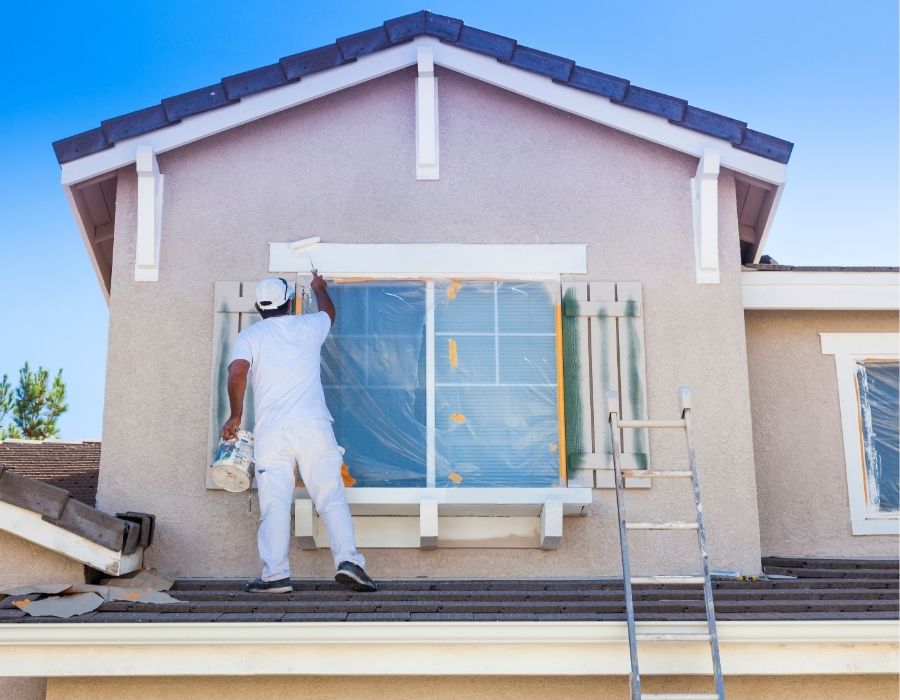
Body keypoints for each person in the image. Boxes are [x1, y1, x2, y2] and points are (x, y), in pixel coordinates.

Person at [221, 273, 377, 593]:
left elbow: (237, 370)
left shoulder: (250, 337)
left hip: (272, 434)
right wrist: (320, 289)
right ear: (290, 303)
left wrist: (235, 415)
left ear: (256, 307)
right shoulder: (307, 327)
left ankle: (275, 575)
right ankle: (349, 562)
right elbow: (328, 314)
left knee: (275, 503)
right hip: (313, 426)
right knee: (330, 495)